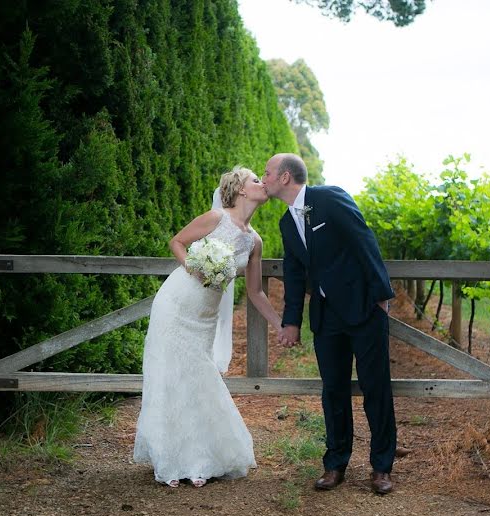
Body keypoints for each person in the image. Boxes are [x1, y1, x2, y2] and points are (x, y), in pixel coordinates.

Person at [133, 166, 283, 488]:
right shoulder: (216, 218)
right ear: (241, 189)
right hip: (176, 304)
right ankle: (170, 458)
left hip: (204, 318)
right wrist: (195, 268)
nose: (262, 183)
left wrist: (281, 325)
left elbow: (255, 292)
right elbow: (177, 242)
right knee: (170, 376)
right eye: (256, 179)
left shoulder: (255, 241)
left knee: (197, 377)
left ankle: (199, 458)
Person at [263, 153, 398, 495]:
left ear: (285, 177)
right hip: (326, 317)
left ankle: (382, 467)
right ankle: (335, 464)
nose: (263, 178)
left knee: (375, 388)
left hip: (364, 309)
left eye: (267, 172)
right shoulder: (284, 222)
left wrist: (381, 296)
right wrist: (291, 321)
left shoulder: (329, 197)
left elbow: (364, 240)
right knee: (333, 391)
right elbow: (294, 274)